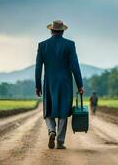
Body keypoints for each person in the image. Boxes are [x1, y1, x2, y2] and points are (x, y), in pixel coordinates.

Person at [35, 20, 83, 149]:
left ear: (51, 31)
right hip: (65, 83)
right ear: (62, 31)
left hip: (49, 83)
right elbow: (75, 66)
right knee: (63, 111)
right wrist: (80, 85)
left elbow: (38, 68)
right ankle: (60, 141)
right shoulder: (70, 45)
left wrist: (38, 85)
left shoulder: (42, 45)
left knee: (48, 110)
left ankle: (51, 130)